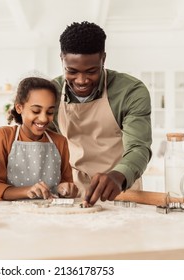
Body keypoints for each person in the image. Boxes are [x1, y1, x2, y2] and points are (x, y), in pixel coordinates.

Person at [51, 21, 152, 206]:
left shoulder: (130, 91)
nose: (81, 80)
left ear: (103, 59)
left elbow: (139, 147)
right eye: (71, 71)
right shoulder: (51, 92)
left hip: (122, 191)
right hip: (73, 194)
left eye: (91, 71)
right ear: (61, 59)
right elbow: (44, 146)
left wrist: (118, 175)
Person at [0, 77, 77, 200]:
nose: (43, 119)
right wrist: (27, 191)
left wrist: (66, 189)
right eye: (36, 111)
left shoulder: (60, 142)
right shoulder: (3, 136)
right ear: (19, 108)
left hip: (51, 215)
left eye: (49, 112)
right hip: (13, 215)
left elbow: (67, 184)